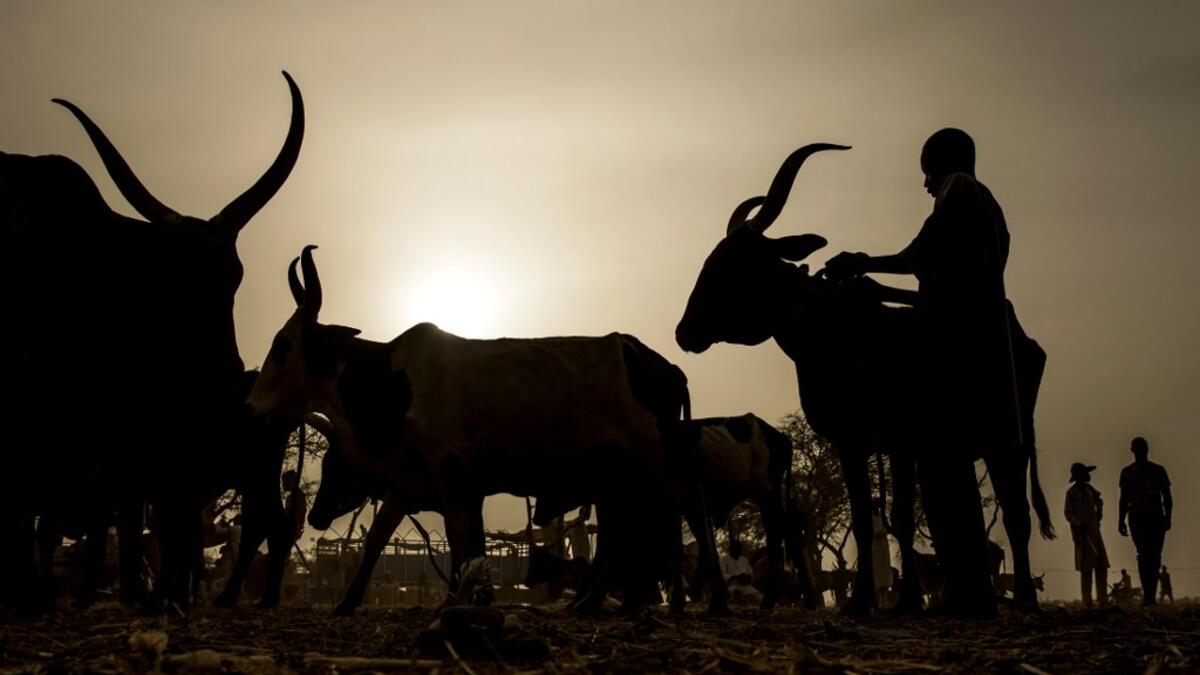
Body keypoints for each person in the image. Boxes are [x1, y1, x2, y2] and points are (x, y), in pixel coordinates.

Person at [827, 128, 1018, 615]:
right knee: (947, 474)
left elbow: (921, 261)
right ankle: (967, 591)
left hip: (953, 353)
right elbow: (941, 285)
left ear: (943, 163)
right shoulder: (988, 210)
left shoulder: (960, 190)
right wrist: (876, 283)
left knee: (942, 474)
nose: (925, 184)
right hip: (972, 344)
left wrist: (863, 262)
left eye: (926, 171)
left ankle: (969, 594)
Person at [1118, 436, 1172, 605]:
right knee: (1145, 556)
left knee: (1152, 557)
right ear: (1134, 451)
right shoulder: (1128, 472)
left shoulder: (1158, 471)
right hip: (1138, 518)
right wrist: (1121, 521)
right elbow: (1123, 499)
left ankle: (1150, 596)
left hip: (1154, 517)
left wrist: (1167, 517)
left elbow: (1167, 497)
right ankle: (1149, 597)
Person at [1063, 463, 1109, 608]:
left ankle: (1103, 600)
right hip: (1081, 535)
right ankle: (1087, 601)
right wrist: (1078, 522)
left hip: (1095, 532)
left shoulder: (1090, 489)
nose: (1089, 475)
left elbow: (1099, 499)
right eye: (1086, 473)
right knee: (1086, 569)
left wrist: (1099, 512)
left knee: (1101, 566)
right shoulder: (1072, 493)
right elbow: (1068, 513)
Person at [720, 538, 762, 605]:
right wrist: (735, 577)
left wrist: (747, 577)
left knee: (759, 596)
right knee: (735, 593)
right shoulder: (724, 560)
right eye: (736, 548)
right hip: (732, 586)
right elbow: (722, 575)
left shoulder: (744, 559)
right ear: (731, 549)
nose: (738, 550)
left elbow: (750, 573)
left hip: (745, 586)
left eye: (739, 548)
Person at [871, 500, 892, 605]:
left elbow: (887, 529)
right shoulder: (870, 518)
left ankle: (885, 601)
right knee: (877, 571)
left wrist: (883, 532)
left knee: (885, 571)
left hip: (883, 546)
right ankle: (879, 601)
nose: (877, 507)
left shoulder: (883, 516)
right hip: (875, 546)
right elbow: (871, 532)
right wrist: (880, 532)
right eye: (875, 505)